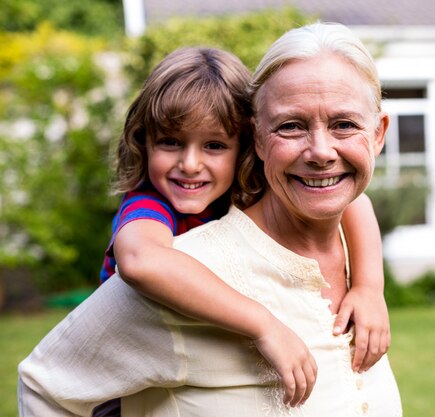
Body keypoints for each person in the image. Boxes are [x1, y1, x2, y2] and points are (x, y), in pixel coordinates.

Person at [18, 22, 402, 416]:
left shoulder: (331, 227)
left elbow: (357, 202)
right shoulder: (152, 216)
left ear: (377, 134)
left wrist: (370, 288)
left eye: (344, 124)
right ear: (259, 139)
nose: (190, 164)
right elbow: (47, 380)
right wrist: (263, 323)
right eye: (291, 126)